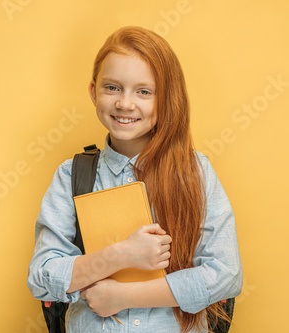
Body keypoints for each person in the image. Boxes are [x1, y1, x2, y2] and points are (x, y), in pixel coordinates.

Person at [27, 26, 243, 332]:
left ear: (166, 98)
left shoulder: (195, 171)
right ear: (93, 92)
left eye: (144, 91)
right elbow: (41, 278)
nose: (125, 104)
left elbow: (225, 275)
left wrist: (122, 296)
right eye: (112, 87)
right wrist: (119, 255)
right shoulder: (71, 175)